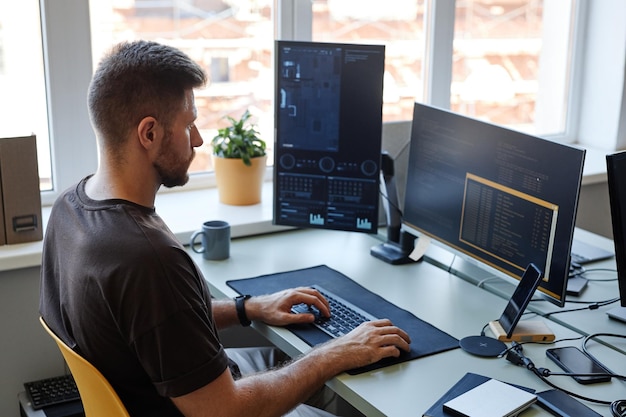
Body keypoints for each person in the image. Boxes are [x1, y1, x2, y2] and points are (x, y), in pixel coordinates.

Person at [39, 40, 411, 417]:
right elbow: (225, 411)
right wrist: (332, 354)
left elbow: (155, 324)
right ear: (148, 134)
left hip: (169, 391)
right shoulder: (147, 259)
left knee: (309, 371)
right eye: (189, 124)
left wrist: (247, 308)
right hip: (211, 406)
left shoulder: (70, 208)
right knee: (327, 372)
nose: (199, 139)